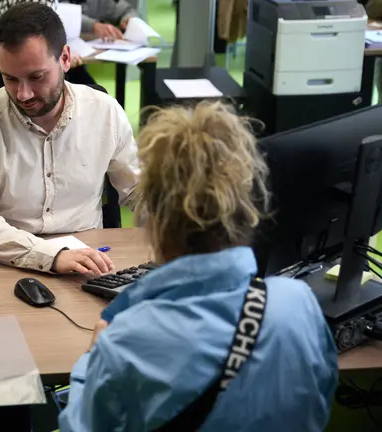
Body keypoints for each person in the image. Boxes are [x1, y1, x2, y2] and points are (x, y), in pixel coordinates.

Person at [58, 101, 338, 431]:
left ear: (158, 222)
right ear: (247, 207)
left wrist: (93, 360)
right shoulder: (298, 304)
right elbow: (320, 402)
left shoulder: (128, 343)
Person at [0, 2, 140, 276]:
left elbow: (137, 191)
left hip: (91, 261)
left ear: (64, 58)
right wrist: (52, 256)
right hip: (7, 262)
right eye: (10, 79)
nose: (23, 94)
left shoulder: (105, 113)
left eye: (36, 77)